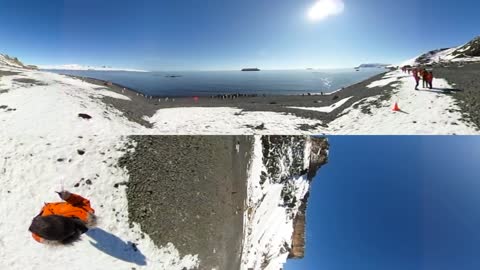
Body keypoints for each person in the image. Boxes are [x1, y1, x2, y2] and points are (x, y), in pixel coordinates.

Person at [29, 191, 96, 244]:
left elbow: (36, 235)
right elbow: (83, 202)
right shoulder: (81, 214)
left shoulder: (40, 232)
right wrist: (70, 197)